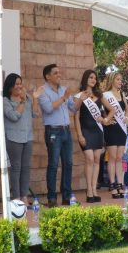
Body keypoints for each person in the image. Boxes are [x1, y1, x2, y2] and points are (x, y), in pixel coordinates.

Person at [38, 63, 82, 207]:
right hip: (53, 131)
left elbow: (73, 109)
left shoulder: (63, 90)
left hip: (66, 130)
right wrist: (64, 98)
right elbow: (49, 109)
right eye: (56, 73)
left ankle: (66, 197)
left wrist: (81, 99)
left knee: (68, 163)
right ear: (48, 76)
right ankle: (51, 198)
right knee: (53, 164)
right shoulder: (42, 91)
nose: (59, 75)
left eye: (59, 72)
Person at [74, 69, 113, 202]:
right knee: (89, 159)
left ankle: (94, 190)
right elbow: (76, 116)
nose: (93, 80)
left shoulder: (99, 96)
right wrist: (79, 135)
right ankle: (89, 190)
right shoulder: (79, 96)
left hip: (98, 131)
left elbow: (112, 110)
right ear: (85, 79)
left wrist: (106, 120)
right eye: (91, 77)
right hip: (85, 131)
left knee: (97, 159)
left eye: (95, 78)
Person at [3, 73, 39, 204]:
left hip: (27, 137)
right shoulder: (6, 101)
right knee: (16, 167)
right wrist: (22, 101)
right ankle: (16, 198)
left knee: (26, 167)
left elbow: (35, 113)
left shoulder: (27, 97)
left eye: (20, 83)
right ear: (10, 87)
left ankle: (24, 196)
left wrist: (34, 98)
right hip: (13, 138)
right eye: (16, 84)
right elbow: (13, 116)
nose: (19, 86)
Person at [102, 71, 128, 198]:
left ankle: (120, 184)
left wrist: (126, 116)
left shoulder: (122, 94)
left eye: (121, 79)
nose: (120, 81)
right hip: (112, 128)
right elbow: (100, 110)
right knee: (112, 158)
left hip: (122, 129)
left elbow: (127, 109)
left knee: (119, 158)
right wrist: (106, 119)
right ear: (112, 80)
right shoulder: (106, 95)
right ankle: (112, 185)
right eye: (118, 79)